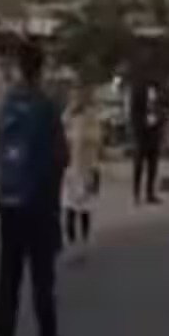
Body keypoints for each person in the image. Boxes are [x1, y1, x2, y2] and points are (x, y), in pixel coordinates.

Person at [0, 41, 69, 336]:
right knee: (42, 280)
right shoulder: (47, 108)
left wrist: (3, 192)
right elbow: (61, 158)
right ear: (41, 69)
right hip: (40, 207)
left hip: (10, 206)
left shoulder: (1, 107)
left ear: (17, 68)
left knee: (8, 282)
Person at [62, 82, 103, 261]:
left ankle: (84, 243)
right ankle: (71, 244)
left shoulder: (91, 117)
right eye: (73, 96)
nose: (75, 99)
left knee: (85, 208)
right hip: (69, 170)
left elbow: (97, 138)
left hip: (87, 168)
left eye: (78, 96)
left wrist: (82, 135)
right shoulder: (66, 116)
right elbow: (59, 137)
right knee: (69, 208)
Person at [129, 71, 163, 205]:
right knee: (139, 163)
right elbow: (134, 111)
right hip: (142, 132)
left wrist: (159, 120)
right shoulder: (138, 90)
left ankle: (150, 193)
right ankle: (136, 193)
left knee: (153, 163)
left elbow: (161, 107)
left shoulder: (158, 90)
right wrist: (139, 127)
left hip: (154, 130)